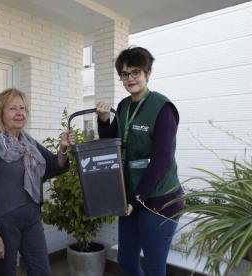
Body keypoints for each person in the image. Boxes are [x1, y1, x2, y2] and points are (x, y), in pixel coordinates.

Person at [96, 46, 184, 276]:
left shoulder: (163, 108)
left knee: (154, 268)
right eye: (125, 74)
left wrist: (135, 200)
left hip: (159, 199)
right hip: (132, 198)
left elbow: (162, 161)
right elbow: (112, 146)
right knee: (125, 260)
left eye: (136, 72)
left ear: (148, 73)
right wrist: (104, 121)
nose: (130, 78)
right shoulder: (124, 106)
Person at [0, 88, 75, 276]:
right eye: (12, 109)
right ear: (0, 113)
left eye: (23, 108)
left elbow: (55, 165)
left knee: (41, 271)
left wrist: (63, 147)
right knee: (6, 273)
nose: (20, 113)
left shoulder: (28, 143)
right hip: (3, 223)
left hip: (32, 218)